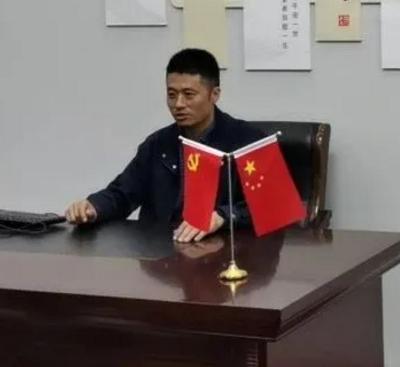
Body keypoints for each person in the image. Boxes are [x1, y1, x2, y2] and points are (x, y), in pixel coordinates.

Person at [64, 48, 265, 243]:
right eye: (172, 94)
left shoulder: (248, 142)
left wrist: (223, 216)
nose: (178, 104)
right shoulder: (157, 144)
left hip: (221, 250)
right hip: (161, 251)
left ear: (214, 94)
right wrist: (93, 206)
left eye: (188, 95)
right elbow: (123, 193)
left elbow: (269, 204)